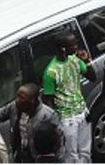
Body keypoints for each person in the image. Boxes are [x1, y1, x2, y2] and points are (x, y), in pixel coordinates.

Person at [42, 32, 96, 163]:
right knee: (71, 155)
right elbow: (47, 100)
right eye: (73, 45)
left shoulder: (75, 60)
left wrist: (86, 61)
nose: (77, 47)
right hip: (66, 119)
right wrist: (55, 124)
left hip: (82, 112)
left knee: (85, 151)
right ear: (63, 49)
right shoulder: (51, 72)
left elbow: (93, 77)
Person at [0, 84, 62, 163]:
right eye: (17, 96)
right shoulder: (14, 107)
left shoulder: (48, 115)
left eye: (21, 98)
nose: (17, 100)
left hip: (36, 157)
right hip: (18, 154)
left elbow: (59, 140)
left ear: (32, 100)